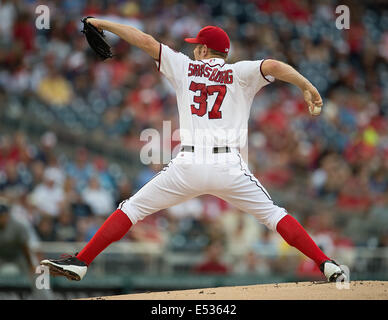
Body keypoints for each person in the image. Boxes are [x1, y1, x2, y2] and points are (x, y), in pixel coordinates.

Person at [41, 19, 345, 283]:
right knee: (274, 215)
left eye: (196, 45)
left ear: (202, 50)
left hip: (189, 163)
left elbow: (145, 41)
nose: (192, 50)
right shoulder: (241, 72)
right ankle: (325, 263)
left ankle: (82, 262)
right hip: (229, 166)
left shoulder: (185, 68)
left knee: (132, 209)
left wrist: (101, 23)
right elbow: (275, 66)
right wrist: (307, 85)